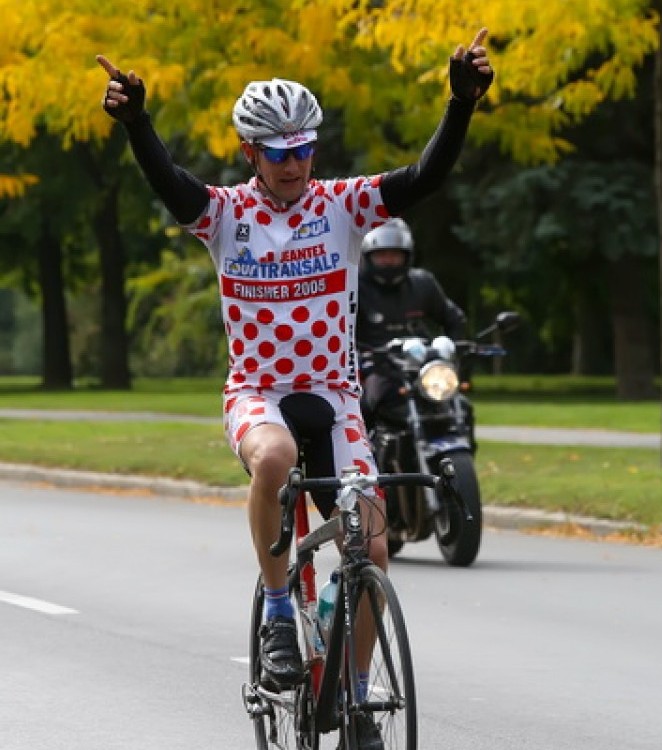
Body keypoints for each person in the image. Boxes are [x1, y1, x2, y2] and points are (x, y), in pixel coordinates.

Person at [96, 28, 492, 749]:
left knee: (370, 550)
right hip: (259, 391)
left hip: (336, 396)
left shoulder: (342, 204)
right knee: (274, 459)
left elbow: (423, 179)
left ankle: (355, 695)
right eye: (279, 154)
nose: (295, 164)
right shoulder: (225, 215)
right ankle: (280, 611)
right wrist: (137, 124)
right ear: (252, 153)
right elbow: (169, 183)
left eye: (305, 149)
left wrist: (459, 104)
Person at [356, 217, 472, 433]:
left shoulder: (422, 283)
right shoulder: (353, 287)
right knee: (365, 407)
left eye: (395, 255)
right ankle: (365, 458)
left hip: (422, 369)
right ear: (368, 257)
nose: (389, 261)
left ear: (407, 256)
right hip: (377, 369)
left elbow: (454, 319)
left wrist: (454, 350)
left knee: (462, 407)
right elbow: (337, 329)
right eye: (382, 256)